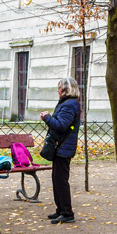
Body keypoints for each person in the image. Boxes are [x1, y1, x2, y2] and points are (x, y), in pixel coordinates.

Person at [40, 77, 81, 225]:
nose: (57, 90)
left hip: (64, 147)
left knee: (61, 180)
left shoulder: (69, 104)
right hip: (62, 146)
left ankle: (67, 212)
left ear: (65, 89)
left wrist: (47, 118)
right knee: (56, 179)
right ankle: (60, 209)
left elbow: (62, 125)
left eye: (59, 88)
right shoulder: (67, 103)